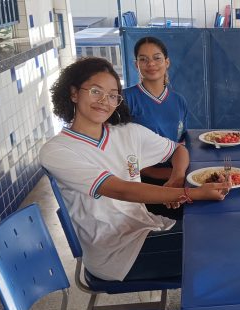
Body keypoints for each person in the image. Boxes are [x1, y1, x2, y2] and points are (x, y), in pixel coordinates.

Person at [40, 57, 229, 282]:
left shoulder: (127, 132)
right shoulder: (57, 150)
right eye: (95, 91)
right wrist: (190, 193)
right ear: (73, 93)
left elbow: (178, 151)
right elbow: (120, 190)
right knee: (220, 251)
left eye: (112, 95)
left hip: (146, 227)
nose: (104, 101)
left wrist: (177, 178)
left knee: (219, 230)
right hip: (114, 253)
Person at [123, 36, 189, 219]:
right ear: (136, 64)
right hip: (142, 181)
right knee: (197, 208)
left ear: (167, 62)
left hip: (175, 174)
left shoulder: (179, 101)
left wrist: (178, 174)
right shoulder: (126, 99)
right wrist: (171, 176)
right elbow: (123, 155)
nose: (151, 63)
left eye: (157, 58)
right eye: (143, 59)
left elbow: (180, 145)